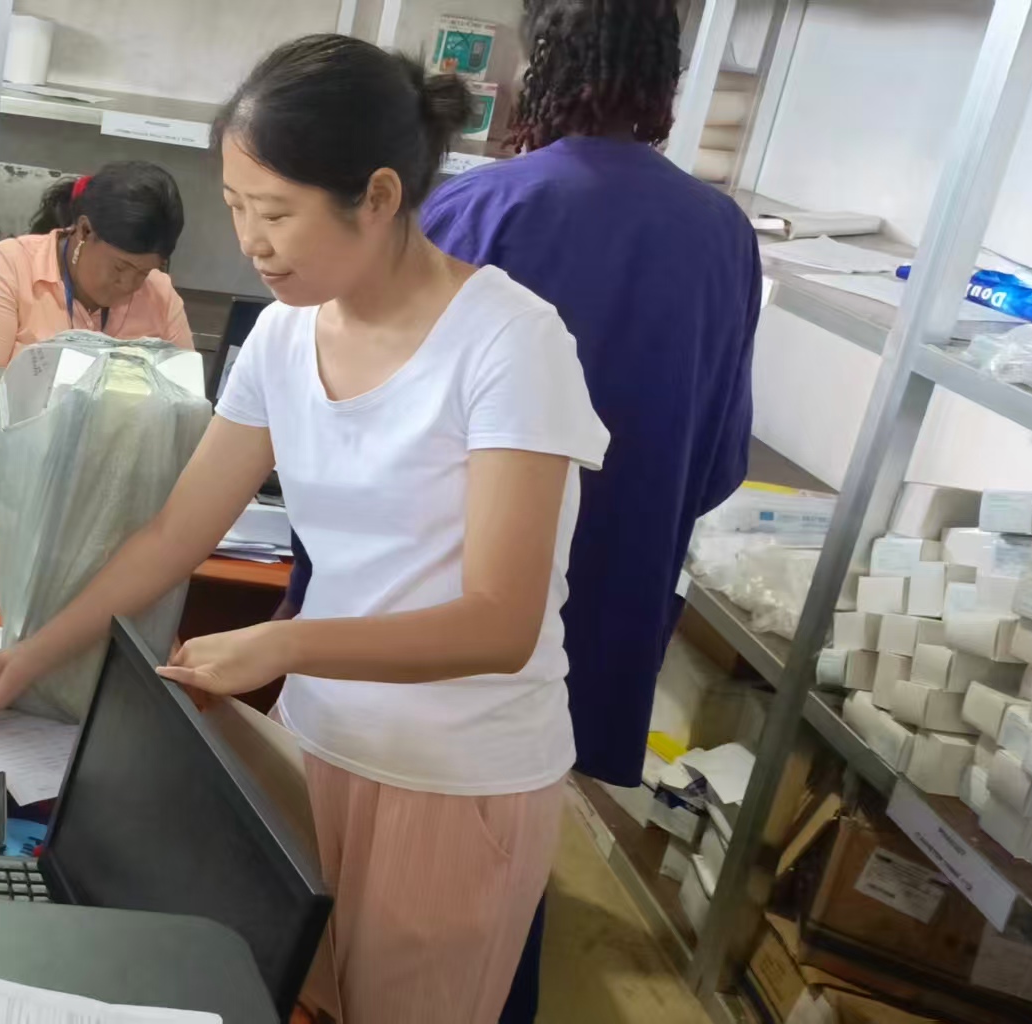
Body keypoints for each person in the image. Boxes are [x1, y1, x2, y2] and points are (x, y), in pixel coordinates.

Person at [0, 35, 608, 1021]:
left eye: (274, 213)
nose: (251, 242)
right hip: (313, 752)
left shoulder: (507, 345)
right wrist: (31, 651)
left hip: (451, 779)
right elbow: (173, 533)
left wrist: (283, 642)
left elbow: (498, 622)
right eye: (234, 207)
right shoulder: (283, 333)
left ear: (379, 197)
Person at [281, 2, 760, 1016]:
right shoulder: (719, 233)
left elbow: (351, 438)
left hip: (434, 618)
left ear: (542, 62)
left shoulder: (471, 211)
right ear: (664, 73)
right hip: (609, 598)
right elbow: (718, 460)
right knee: (502, 860)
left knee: (373, 906)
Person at [0, 159, 191, 366]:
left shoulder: (160, 296)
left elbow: (185, 406)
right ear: (84, 230)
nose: (128, 284)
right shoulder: (8, 269)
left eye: (144, 272)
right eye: (120, 267)